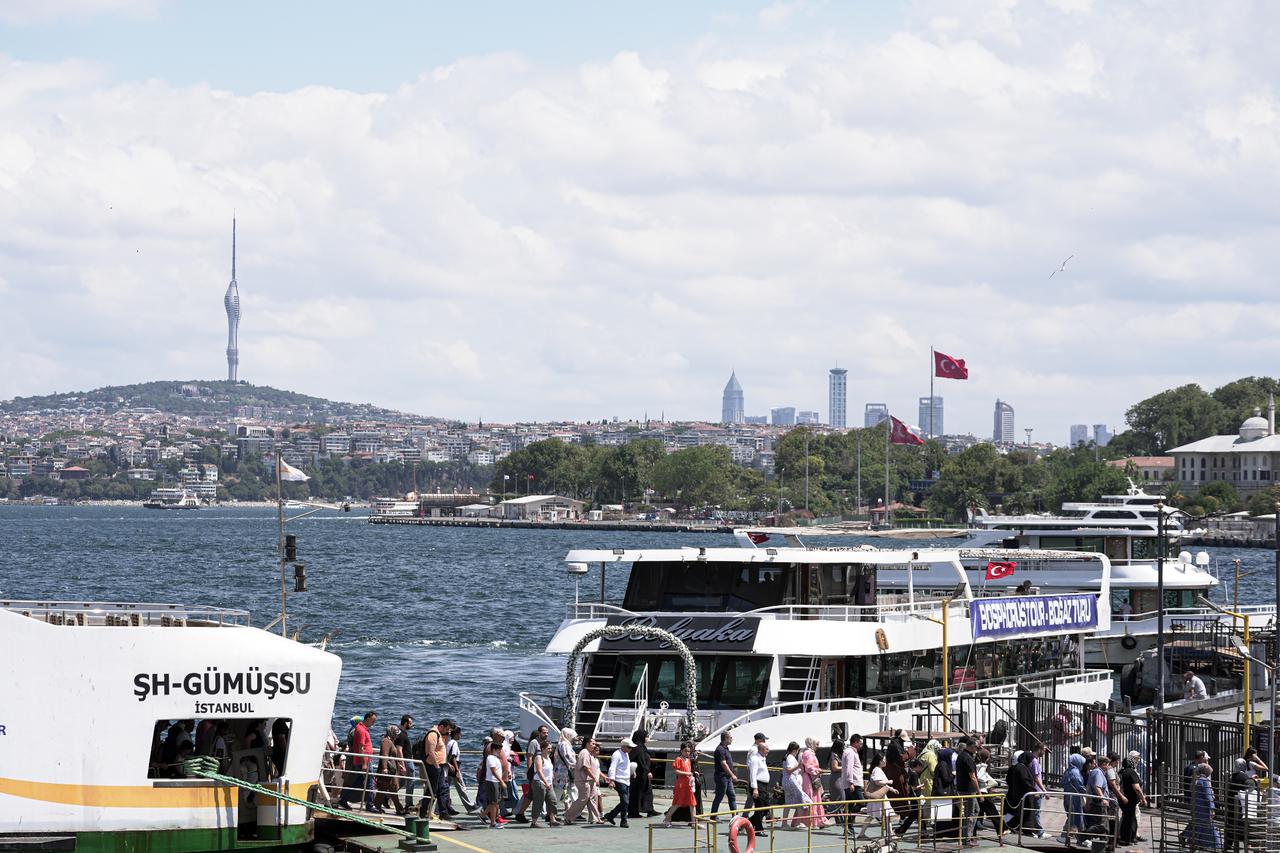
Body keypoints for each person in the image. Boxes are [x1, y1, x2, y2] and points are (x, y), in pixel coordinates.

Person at [564, 737, 603, 825]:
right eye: (593, 743)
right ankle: (568, 816)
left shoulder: (589, 753)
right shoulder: (584, 752)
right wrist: (594, 778)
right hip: (583, 780)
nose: (594, 745)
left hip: (589, 780)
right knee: (583, 799)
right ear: (587, 743)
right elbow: (586, 768)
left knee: (593, 798)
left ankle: (595, 818)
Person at [341, 711, 376, 810]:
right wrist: (364, 763)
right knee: (370, 782)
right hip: (363, 761)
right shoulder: (361, 730)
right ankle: (370, 805)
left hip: (362, 760)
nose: (373, 723)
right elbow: (361, 748)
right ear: (368, 719)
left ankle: (343, 799)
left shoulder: (362, 729)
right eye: (373, 721)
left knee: (356, 781)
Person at [661, 741, 698, 827]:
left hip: (688, 784)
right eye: (685, 751)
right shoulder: (678, 759)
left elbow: (688, 771)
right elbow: (676, 771)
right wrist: (687, 773)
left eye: (688, 751)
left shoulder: (688, 760)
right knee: (677, 803)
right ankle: (667, 819)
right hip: (681, 784)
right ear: (681, 751)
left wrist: (692, 773)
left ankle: (694, 822)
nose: (687, 753)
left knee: (692, 803)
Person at [861, 750, 897, 838]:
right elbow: (878, 782)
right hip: (879, 797)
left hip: (878, 796)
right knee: (885, 815)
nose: (885, 761)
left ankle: (862, 834)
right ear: (880, 761)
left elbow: (880, 783)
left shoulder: (877, 770)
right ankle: (890, 834)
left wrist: (891, 789)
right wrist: (889, 782)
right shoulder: (877, 770)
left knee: (872, 816)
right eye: (884, 759)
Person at [1189, 762, 1221, 851]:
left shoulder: (1195, 779)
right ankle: (1217, 846)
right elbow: (1208, 797)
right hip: (1204, 810)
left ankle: (1194, 845)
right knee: (1209, 830)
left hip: (1196, 808)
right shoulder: (1205, 781)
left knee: (1198, 828)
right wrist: (1212, 809)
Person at [799, 737, 830, 827]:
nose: (818, 746)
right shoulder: (809, 754)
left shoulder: (806, 753)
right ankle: (812, 822)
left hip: (808, 778)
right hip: (810, 779)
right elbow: (809, 767)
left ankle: (811, 821)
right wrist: (818, 770)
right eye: (816, 744)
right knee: (812, 799)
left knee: (813, 799)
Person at [780, 741, 812, 829]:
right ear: (795, 750)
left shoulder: (787, 757)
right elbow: (789, 770)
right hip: (791, 781)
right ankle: (798, 822)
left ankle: (786, 823)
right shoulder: (790, 757)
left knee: (789, 803)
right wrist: (799, 765)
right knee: (802, 799)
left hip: (787, 781)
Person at [603, 737, 633, 827]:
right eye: (629, 747)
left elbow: (626, 766)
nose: (631, 749)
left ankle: (611, 816)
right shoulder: (617, 754)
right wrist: (611, 780)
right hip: (619, 780)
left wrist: (633, 772)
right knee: (625, 801)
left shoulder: (626, 754)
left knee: (625, 801)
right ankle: (623, 820)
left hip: (626, 780)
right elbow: (612, 767)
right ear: (624, 746)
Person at [955, 737, 980, 847]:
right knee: (971, 813)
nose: (977, 749)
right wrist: (979, 792)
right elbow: (973, 777)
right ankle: (967, 839)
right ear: (972, 746)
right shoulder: (968, 758)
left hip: (963, 788)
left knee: (975, 810)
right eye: (976, 747)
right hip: (968, 790)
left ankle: (967, 836)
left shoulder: (961, 755)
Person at [528, 740, 559, 828]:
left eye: (551, 748)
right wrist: (545, 782)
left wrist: (552, 776)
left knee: (552, 800)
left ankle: (552, 820)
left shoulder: (548, 758)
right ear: (542, 749)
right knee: (538, 802)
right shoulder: (539, 757)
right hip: (539, 782)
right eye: (548, 748)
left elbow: (549, 770)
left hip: (549, 783)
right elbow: (539, 771)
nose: (550, 750)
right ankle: (534, 822)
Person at [1117, 755, 1147, 846]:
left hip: (1123, 799)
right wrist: (1143, 799)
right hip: (1130, 800)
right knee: (1128, 819)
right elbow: (1136, 788)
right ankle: (1126, 839)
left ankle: (1130, 837)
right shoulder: (1131, 772)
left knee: (1128, 818)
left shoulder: (1121, 772)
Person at [444, 725, 473, 815]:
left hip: (447, 768)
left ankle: (443, 807)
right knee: (461, 787)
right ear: (456, 734)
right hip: (454, 768)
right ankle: (470, 806)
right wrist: (457, 770)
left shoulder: (449, 742)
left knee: (445, 789)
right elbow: (453, 757)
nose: (460, 736)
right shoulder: (454, 743)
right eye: (460, 734)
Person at [1060, 753, 1087, 845]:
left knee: (1071, 816)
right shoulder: (1075, 772)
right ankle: (1079, 838)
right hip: (1074, 797)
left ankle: (1069, 836)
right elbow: (1079, 785)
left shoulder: (1068, 771)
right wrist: (1086, 792)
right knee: (1077, 817)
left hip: (1067, 796)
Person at [628, 729, 657, 818]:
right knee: (640, 793)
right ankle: (635, 812)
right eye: (646, 736)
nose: (647, 738)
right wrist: (647, 771)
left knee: (644, 792)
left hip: (640, 774)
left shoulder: (638, 747)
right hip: (640, 775)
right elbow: (641, 761)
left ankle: (648, 810)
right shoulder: (639, 748)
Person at [1005, 750, 1035, 832]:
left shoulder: (1019, 767)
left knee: (1021, 813)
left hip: (1018, 795)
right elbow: (1025, 781)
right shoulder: (1021, 768)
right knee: (1021, 813)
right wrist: (1033, 790)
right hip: (1022, 796)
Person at [711, 731, 739, 818]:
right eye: (730, 738)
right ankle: (713, 816)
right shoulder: (720, 749)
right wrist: (732, 775)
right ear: (726, 738)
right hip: (722, 777)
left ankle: (735, 817)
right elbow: (723, 764)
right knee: (719, 796)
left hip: (727, 778)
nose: (732, 739)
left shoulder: (725, 749)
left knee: (732, 796)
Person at [747, 734, 772, 835]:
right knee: (760, 807)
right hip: (758, 785)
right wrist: (755, 788)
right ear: (761, 749)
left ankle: (748, 823)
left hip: (764, 786)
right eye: (766, 749)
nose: (768, 751)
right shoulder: (755, 759)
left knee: (765, 807)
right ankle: (758, 829)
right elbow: (753, 774)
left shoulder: (763, 758)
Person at [896, 757, 924, 837]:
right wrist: (922, 784)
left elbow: (911, 786)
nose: (921, 769)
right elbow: (914, 787)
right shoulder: (914, 774)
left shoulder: (910, 773)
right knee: (918, 815)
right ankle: (923, 832)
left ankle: (900, 830)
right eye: (921, 767)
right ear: (918, 766)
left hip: (913, 797)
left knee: (914, 816)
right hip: (916, 798)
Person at [480, 740, 506, 828]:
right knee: (494, 803)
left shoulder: (496, 758)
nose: (500, 752)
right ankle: (493, 822)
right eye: (499, 750)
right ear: (494, 749)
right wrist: (501, 781)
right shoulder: (490, 758)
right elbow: (493, 771)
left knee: (494, 802)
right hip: (492, 781)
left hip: (496, 781)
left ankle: (483, 815)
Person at [841, 734, 865, 820]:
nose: (861, 746)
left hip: (852, 783)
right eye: (860, 743)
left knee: (850, 805)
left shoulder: (851, 752)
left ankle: (848, 826)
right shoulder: (850, 752)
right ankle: (848, 820)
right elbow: (849, 767)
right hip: (853, 783)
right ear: (855, 742)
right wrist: (851, 782)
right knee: (861, 803)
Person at [395, 716, 416, 812]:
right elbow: (399, 750)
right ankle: (409, 803)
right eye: (410, 723)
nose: (411, 725)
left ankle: (386, 797)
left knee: (402, 782)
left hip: (407, 761)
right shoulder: (401, 734)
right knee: (410, 782)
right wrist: (402, 764)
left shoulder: (401, 733)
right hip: (406, 762)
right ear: (405, 723)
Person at [553, 728, 577, 811]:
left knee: (566, 790)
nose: (574, 739)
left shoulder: (562, 744)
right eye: (573, 737)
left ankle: (572, 808)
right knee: (562, 790)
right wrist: (577, 765)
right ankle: (551, 810)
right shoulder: (565, 744)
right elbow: (568, 757)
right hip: (564, 772)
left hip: (562, 772)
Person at [827, 737, 845, 817]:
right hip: (836, 780)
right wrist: (845, 767)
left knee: (837, 799)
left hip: (839, 779)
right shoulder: (834, 755)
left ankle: (838, 819)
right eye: (843, 746)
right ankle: (827, 815)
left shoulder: (837, 755)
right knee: (841, 799)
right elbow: (835, 768)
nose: (844, 748)